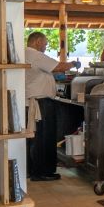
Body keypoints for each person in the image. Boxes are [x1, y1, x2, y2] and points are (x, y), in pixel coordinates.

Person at [25, 31, 72, 182]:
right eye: (45, 44)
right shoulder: (35, 54)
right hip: (41, 102)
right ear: (37, 41)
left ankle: (34, 170)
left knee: (36, 138)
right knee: (44, 138)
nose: (45, 47)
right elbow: (59, 66)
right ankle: (43, 172)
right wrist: (74, 64)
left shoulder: (25, 53)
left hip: (35, 101)